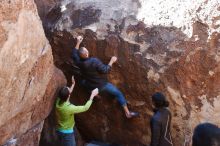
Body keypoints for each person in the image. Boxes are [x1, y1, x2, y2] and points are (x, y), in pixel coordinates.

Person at [72, 36, 139, 118]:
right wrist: (111, 61)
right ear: (86, 54)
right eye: (86, 50)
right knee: (118, 93)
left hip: (89, 84)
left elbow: (74, 53)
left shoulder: (77, 61)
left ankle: (95, 95)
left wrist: (78, 42)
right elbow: (105, 70)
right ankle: (127, 113)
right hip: (101, 85)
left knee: (82, 82)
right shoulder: (94, 61)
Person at [55, 75, 99, 146]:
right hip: (67, 133)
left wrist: (73, 84)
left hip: (60, 130)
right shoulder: (69, 108)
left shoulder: (58, 102)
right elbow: (85, 108)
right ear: (68, 96)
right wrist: (92, 95)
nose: (69, 89)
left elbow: (67, 94)